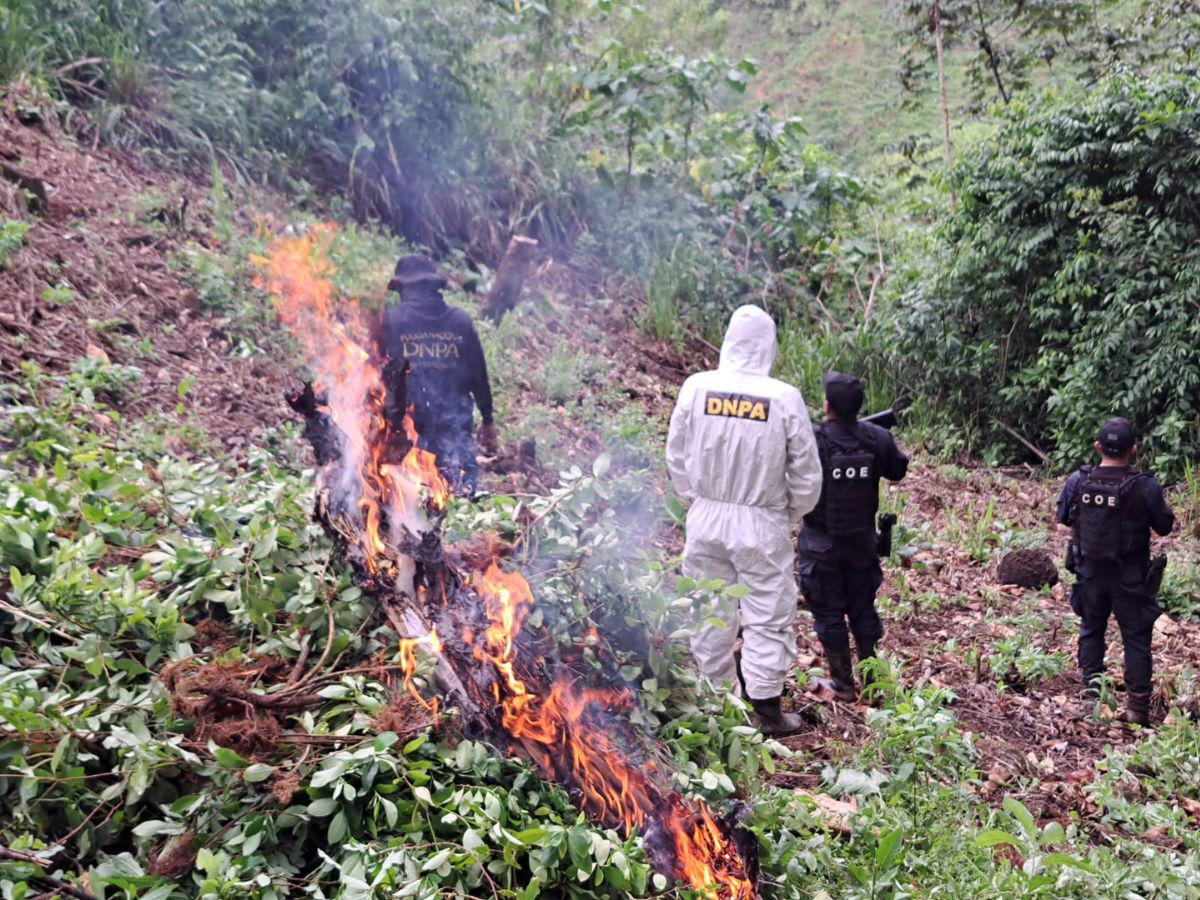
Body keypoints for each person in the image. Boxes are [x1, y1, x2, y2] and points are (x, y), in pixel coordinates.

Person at [666, 305, 822, 736]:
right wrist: (786, 513)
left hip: (706, 516)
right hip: (761, 521)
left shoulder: (697, 388)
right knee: (767, 613)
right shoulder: (784, 397)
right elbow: (808, 474)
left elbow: (676, 454)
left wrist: (694, 499)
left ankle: (715, 707)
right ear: (769, 346)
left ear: (729, 341)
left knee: (708, 609)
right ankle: (767, 711)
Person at [797, 372, 909, 702]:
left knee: (829, 614)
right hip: (861, 544)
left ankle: (844, 685)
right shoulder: (876, 438)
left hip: (821, 545)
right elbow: (898, 470)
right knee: (862, 610)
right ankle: (873, 685)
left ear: (827, 405)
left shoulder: (812, 439)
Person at [1057, 417, 1174, 726]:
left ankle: (1092, 699)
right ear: (1133, 449)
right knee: (1136, 639)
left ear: (1097, 447)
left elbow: (1063, 517)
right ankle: (1137, 707)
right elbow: (1164, 526)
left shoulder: (1077, 481)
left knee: (1091, 631)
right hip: (1130, 578)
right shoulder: (1144, 486)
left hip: (1090, 574)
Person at [372, 254, 497, 495]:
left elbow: (370, 378)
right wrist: (488, 420)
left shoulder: (387, 322)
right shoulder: (461, 322)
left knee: (406, 500)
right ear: (434, 287)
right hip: (454, 427)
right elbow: (478, 376)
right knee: (458, 495)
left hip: (404, 431)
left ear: (401, 287)